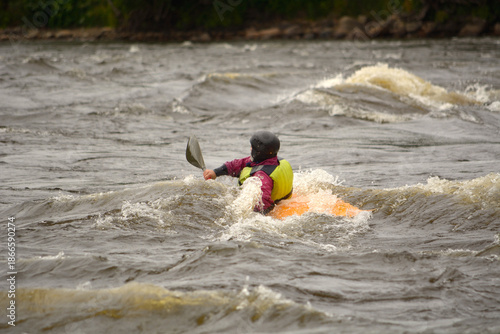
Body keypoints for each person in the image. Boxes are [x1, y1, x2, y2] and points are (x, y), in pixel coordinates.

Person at [203, 131, 293, 214]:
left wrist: (251, 216)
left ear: (257, 153)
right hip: (285, 197)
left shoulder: (262, 177)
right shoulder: (273, 160)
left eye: (252, 147)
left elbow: (263, 202)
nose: (250, 148)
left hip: (274, 208)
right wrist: (215, 172)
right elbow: (237, 164)